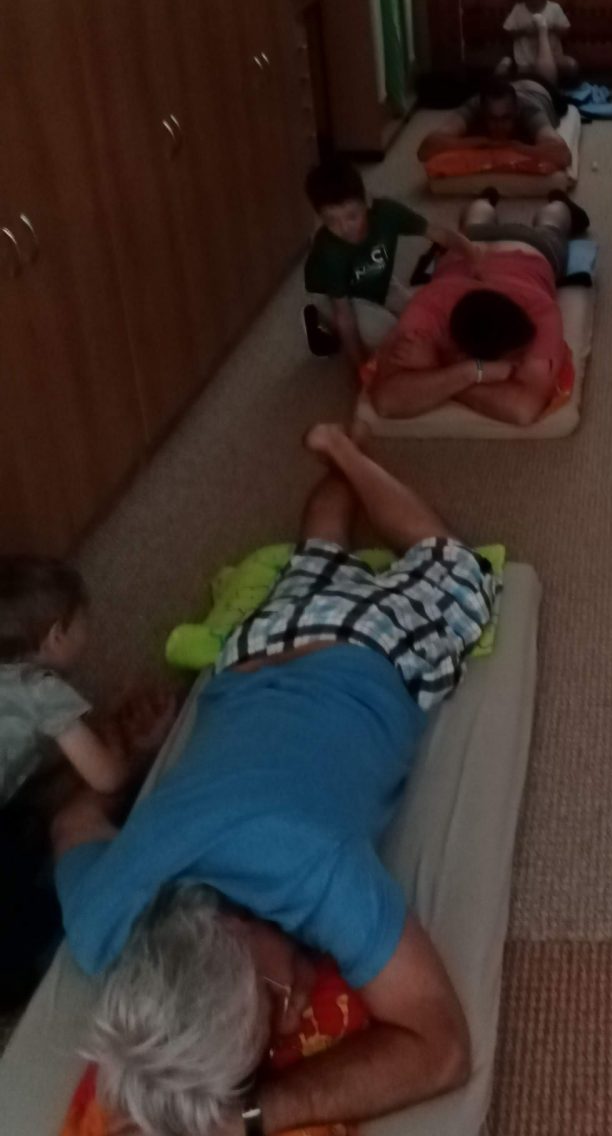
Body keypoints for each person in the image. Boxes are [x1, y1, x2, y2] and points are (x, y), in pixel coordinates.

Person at [52, 428, 492, 1136]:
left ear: (233, 930)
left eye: (275, 1002)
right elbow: (73, 824)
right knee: (317, 552)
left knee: (454, 567)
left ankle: (354, 457)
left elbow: (442, 1049)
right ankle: (340, 456)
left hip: (365, 645)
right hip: (254, 650)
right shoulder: (104, 919)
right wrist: (128, 761)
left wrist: (253, 1115)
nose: (294, 1015)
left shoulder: (312, 863)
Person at [0, 558, 174, 1009]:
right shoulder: (42, 691)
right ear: (56, 636)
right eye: (83, 623)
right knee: (31, 913)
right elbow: (107, 776)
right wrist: (128, 748)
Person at [369, 191, 587, 428]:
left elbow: (524, 409)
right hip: (486, 246)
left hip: (522, 247)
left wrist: (440, 366)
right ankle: (545, 203)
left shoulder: (542, 311)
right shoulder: (427, 308)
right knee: (543, 226)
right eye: (515, 357)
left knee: (549, 228)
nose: (518, 364)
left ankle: (512, 201)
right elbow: (385, 401)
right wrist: (469, 373)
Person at [302, 157, 430, 367]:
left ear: (367, 201)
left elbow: (438, 233)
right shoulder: (328, 252)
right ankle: (321, 320)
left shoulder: (386, 212)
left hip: (369, 273)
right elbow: (344, 314)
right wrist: (359, 367)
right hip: (338, 293)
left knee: (418, 315)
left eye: (352, 216)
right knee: (384, 336)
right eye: (332, 221)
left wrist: (473, 254)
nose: (345, 228)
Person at [416, 75, 572, 172]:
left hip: (537, 88)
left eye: (506, 118)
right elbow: (425, 150)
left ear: (516, 112)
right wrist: (481, 142)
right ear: (483, 113)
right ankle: (504, 70)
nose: (499, 126)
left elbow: (563, 155)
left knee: (562, 103)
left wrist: (515, 146)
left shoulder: (530, 111)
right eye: (493, 119)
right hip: (509, 87)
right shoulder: (474, 106)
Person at [500, 0, 577, 89]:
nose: (533, 0)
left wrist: (549, 28)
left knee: (572, 66)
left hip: (553, 57)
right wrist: (524, 31)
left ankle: (560, 90)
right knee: (525, 83)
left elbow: (566, 31)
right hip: (526, 61)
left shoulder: (554, 8)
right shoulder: (518, 9)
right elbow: (507, 31)